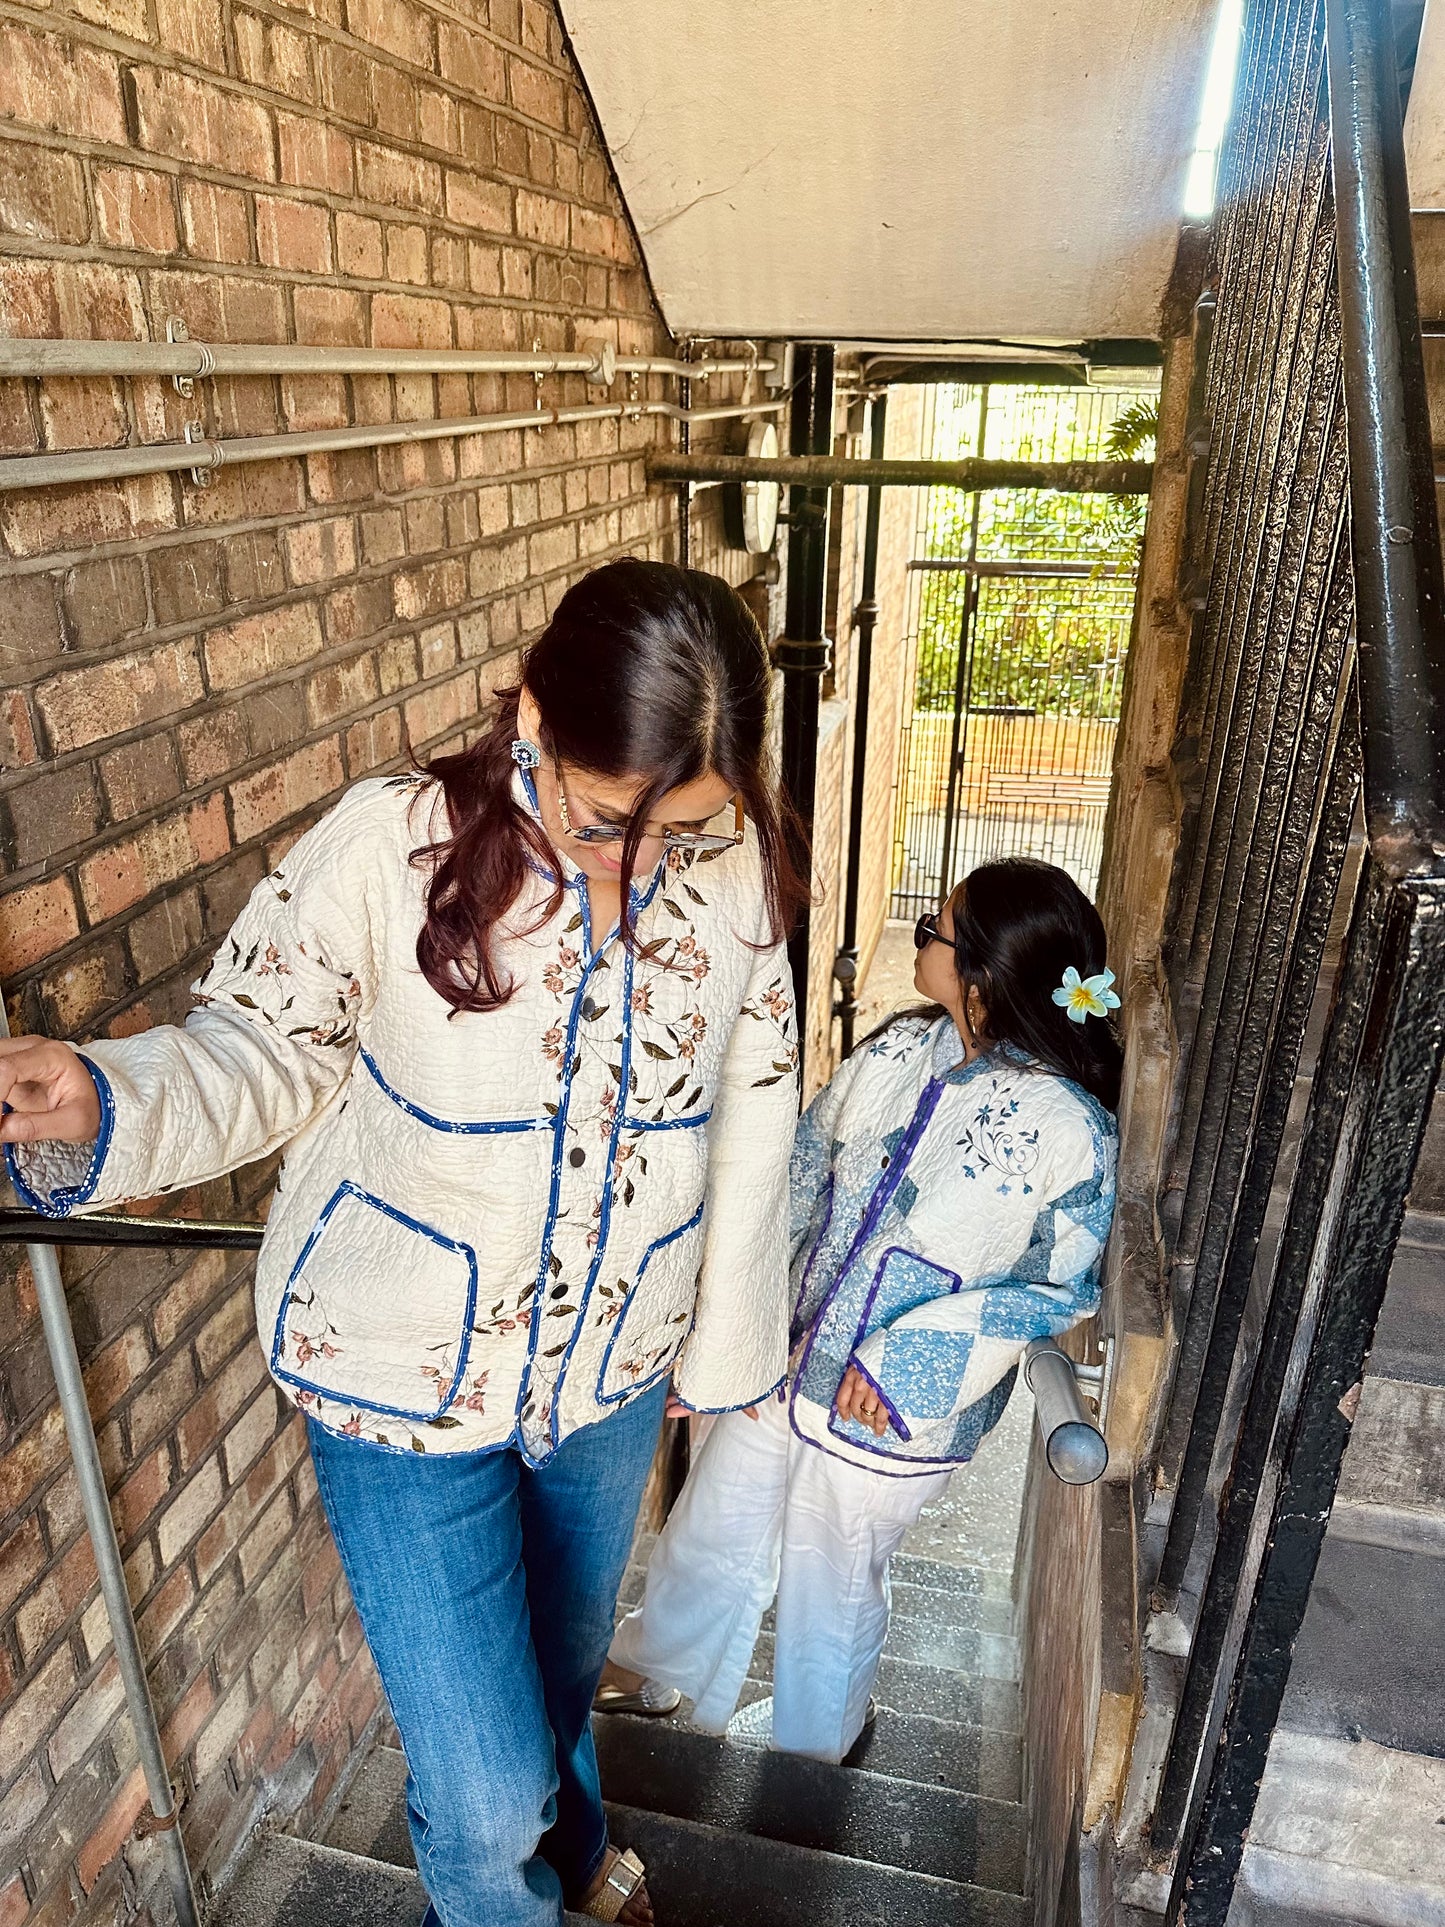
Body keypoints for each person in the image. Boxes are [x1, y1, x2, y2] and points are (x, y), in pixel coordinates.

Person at [0, 559, 804, 1927]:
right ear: (535, 715)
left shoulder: (733, 876)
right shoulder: (389, 841)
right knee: (485, 1787)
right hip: (395, 1378)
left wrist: (719, 1345)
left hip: (611, 1375)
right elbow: (261, 1048)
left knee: (552, 1695)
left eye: (682, 826)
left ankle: (582, 1856)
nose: (646, 862)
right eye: (616, 821)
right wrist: (106, 1096)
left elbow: (756, 1104)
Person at [598, 858, 1121, 1764]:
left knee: (831, 1580)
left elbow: (1051, 1290)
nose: (922, 931)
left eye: (937, 926)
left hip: (894, 1410)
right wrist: (737, 1327)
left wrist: (902, 1366)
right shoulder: (894, 1050)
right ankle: (656, 1670)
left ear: (985, 974)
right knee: (712, 1522)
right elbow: (800, 1174)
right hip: (785, 1358)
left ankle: (815, 1748)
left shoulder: (1071, 1131)